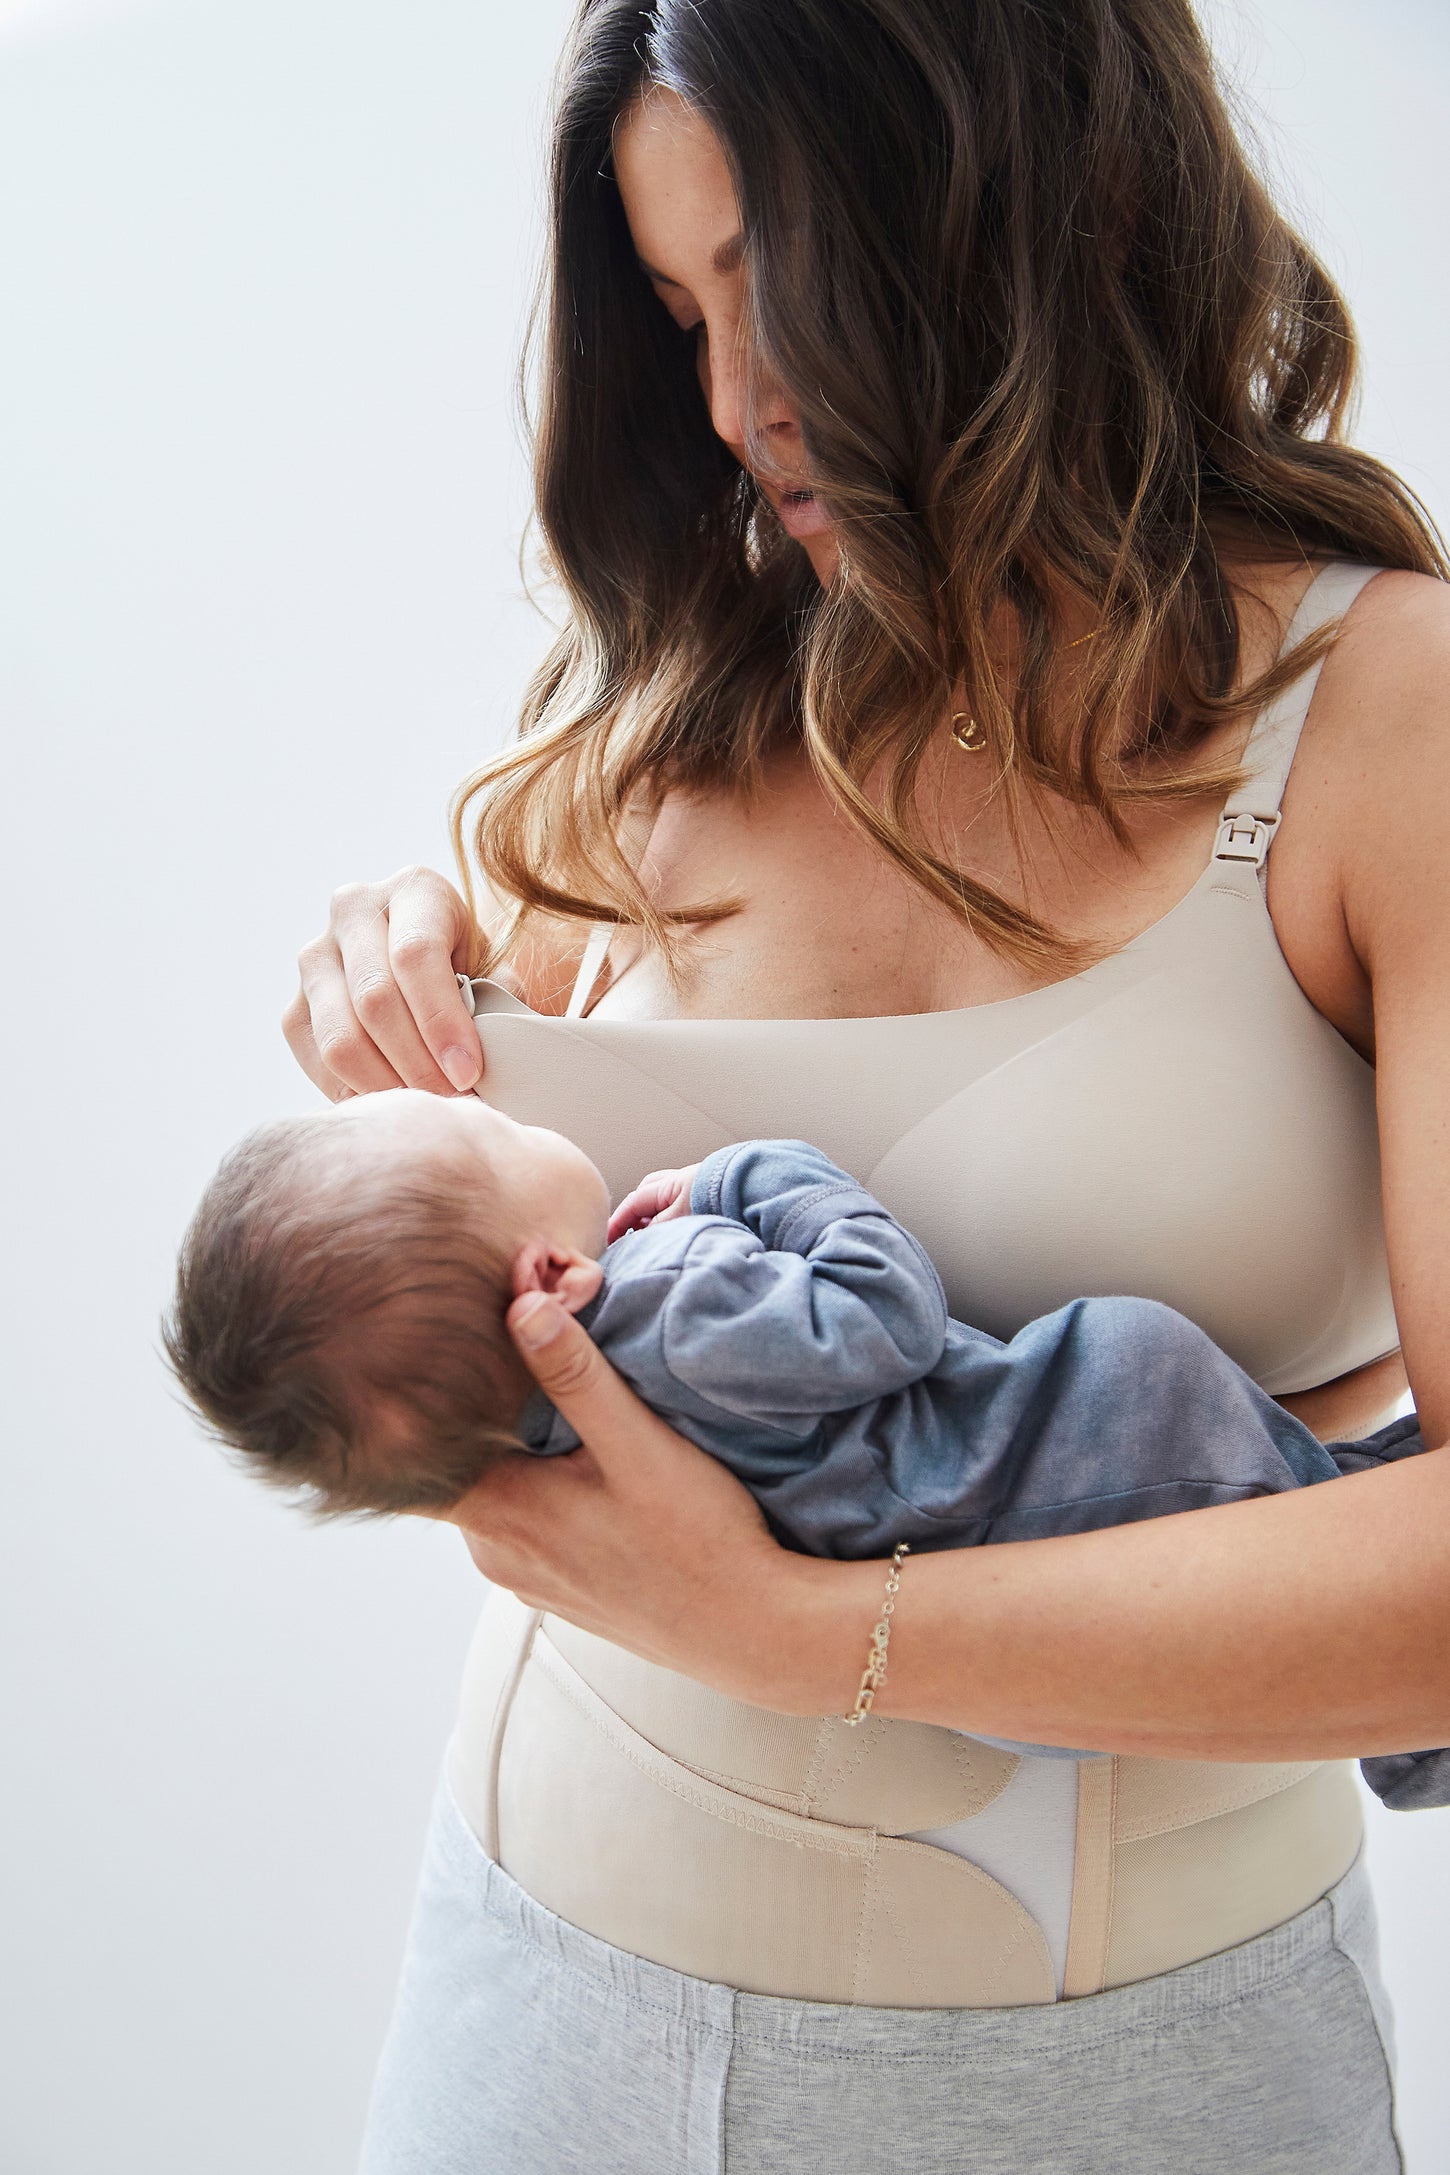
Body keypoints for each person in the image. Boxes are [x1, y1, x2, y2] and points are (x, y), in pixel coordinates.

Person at [283, 1, 1450, 2167]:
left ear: (1055, 202)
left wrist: (809, 1634)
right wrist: (400, 988)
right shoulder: (681, 692)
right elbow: (492, 1205)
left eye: (780, 285)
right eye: (677, 317)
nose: (738, 406)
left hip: (1130, 2080)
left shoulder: (1385, 719)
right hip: (535, 2000)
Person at [166, 1099, 1438, 1808]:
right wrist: (750, 1175)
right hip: (1080, 1463)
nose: (492, 1107)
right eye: (479, 1129)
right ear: (548, 1274)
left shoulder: (564, 1447)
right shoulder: (671, 1299)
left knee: (1300, 1492)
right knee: (1135, 1357)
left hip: (1019, 1648)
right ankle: (1411, 1736)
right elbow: (886, 1315)